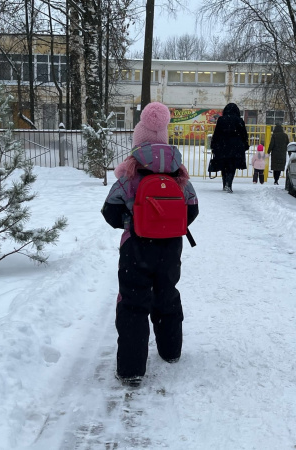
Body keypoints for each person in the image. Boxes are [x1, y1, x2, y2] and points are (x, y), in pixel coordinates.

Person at [101, 102, 199, 387]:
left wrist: (132, 223)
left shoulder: (130, 172)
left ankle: (131, 370)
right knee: (167, 294)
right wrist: (169, 226)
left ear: (138, 140)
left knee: (133, 303)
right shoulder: (178, 173)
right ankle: (170, 352)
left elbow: (110, 211)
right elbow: (191, 209)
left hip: (136, 248)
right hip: (170, 249)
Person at [209, 103, 249, 193]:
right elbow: (244, 135)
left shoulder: (221, 120)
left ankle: (224, 184)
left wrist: (214, 145)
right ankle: (229, 184)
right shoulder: (239, 120)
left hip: (222, 147)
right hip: (236, 147)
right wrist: (245, 145)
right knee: (232, 166)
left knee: (224, 166)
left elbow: (216, 133)